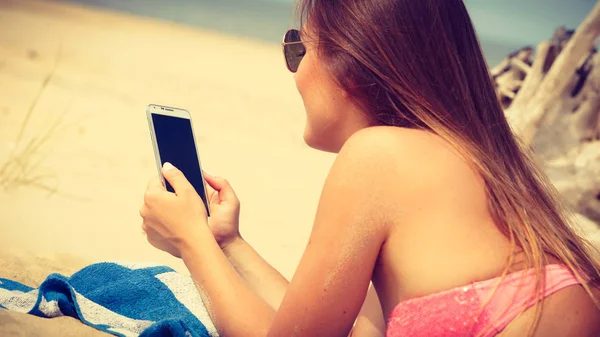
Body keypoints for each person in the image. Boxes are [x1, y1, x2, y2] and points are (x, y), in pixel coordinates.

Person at [138, 0, 600, 336]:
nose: (294, 72)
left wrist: (190, 240)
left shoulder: (378, 155)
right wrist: (226, 243)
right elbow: (321, 326)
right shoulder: (476, 162)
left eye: (298, 50)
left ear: (349, 67)